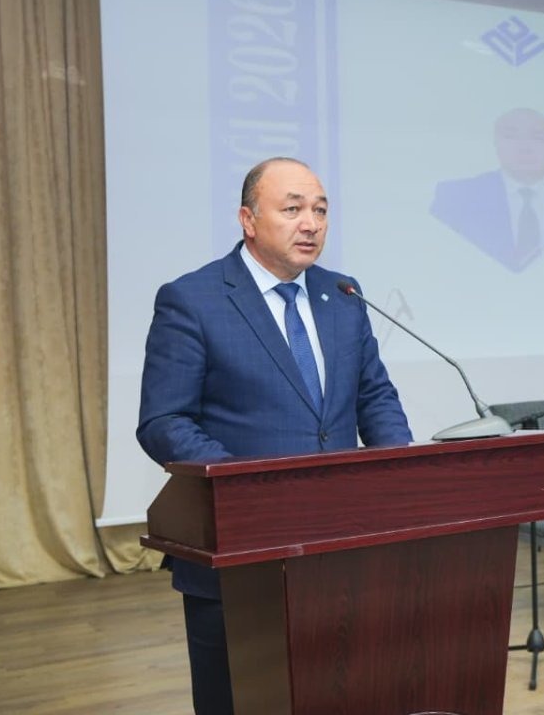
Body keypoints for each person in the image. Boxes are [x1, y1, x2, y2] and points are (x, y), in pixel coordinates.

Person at [137, 157, 412, 714]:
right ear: (248, 219)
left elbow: (375, 398)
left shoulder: (343, 294)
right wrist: (247, 488)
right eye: (292, 209)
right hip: (239, 553)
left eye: (320, 210)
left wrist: (400, 478)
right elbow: (164, 421)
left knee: (341, 692)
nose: (311, 223)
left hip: (343, 548)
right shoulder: (193, 299)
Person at [430, 107, 544, 272]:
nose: (525, 147)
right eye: (511, 137)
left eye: (538, 138)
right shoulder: (456, 197)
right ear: (496, 144)